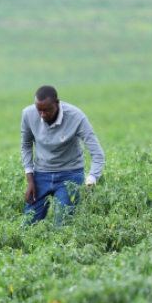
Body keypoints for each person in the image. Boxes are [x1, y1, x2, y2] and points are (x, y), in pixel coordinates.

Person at [21, 85, 104, 223]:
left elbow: (97, 154)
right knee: (29, 223)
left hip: (70, 174)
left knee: (62, 223)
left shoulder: (76, 118)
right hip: (41, 173)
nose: (42, 114)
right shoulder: (28, 114)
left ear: (57, 103)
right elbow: (26, 145)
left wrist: (91, 179)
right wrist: (30, 180)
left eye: (46, 110)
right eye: (39, 110)